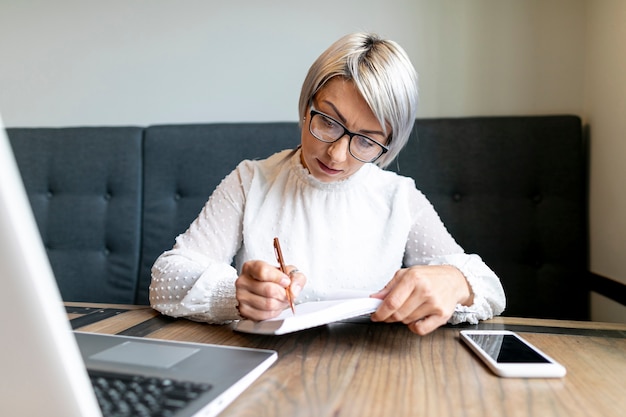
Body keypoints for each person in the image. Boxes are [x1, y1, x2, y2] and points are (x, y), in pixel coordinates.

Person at [149, 32, 505, 335]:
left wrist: (456, 283)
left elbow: (491, 289)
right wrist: (235, 294)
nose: (336, 154)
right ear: (306, 107)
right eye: (329, 122)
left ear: (388, 145)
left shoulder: (399, 198)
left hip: (371, 375)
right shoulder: (251, 181)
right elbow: (167, 278)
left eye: (366, 141)